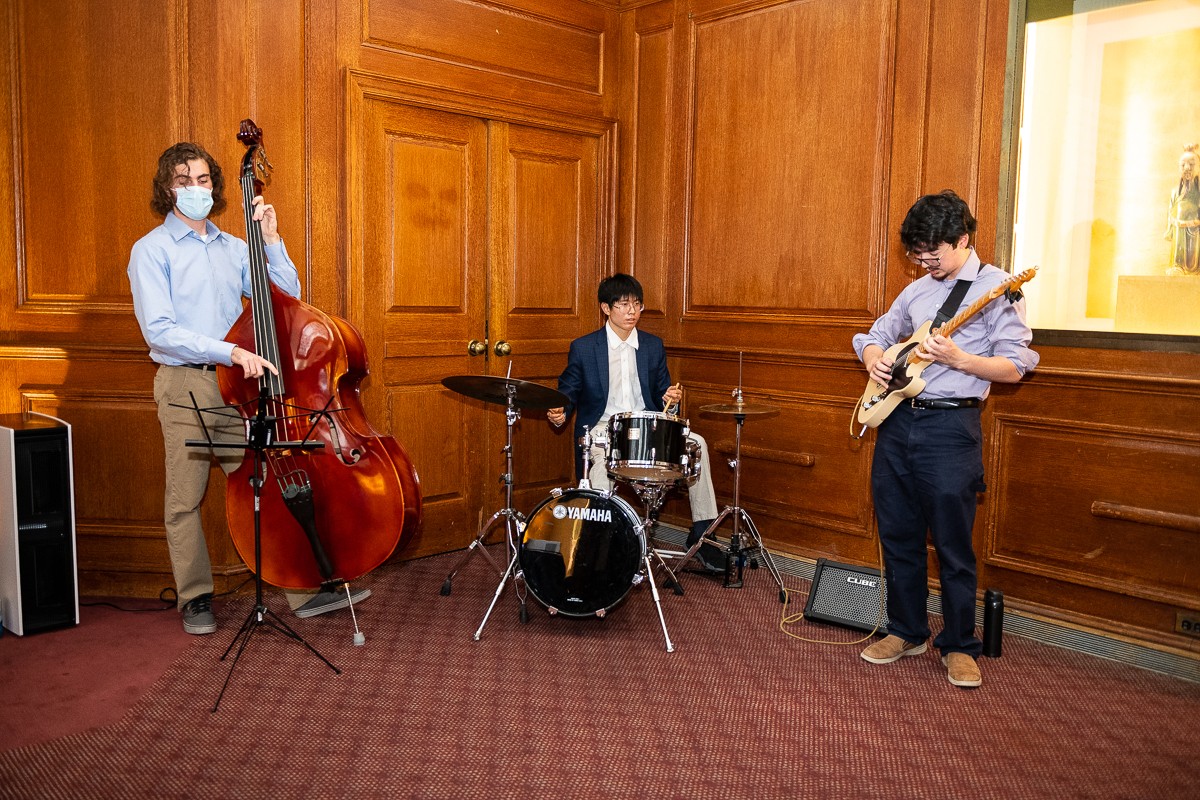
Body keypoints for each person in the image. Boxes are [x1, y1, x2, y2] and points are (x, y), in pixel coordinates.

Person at [128, 142, 369, 634]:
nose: (194, 189)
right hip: (185, 384)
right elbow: (160, 331)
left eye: (202, 180)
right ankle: (195, 598)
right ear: (166, 188)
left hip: (238, 388)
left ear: (214, 187)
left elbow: (286, 296)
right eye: (183, 181)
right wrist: (230, 351)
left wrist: (271, 239)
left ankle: (300, 590)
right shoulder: (150, 250)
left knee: (264, 486)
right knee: (184, 497)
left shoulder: (235, 247)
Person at [851, 190, 1039, 688]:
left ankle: (959, 644)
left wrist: (960, 360)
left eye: (933, 252)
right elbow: (870, 335)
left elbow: (1017, 366)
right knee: (897, 534)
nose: (924, 262)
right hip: (897, 423)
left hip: (951, 429)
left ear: (963, 240)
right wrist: (874, 357)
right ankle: (906, 630)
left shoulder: (999, 288)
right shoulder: (916, 292)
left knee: (954, 545)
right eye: (917, 253)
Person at [547, 274, 723, 573]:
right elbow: (569, 390)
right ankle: (602, 545)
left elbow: (662, 395)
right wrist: (560, 411)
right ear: (606, 308)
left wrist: (671, 396)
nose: (632, 312)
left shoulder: (653, 346)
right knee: (599, 474)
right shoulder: (585, 347)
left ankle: (703, 536)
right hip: (605, 429)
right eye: (623, 305)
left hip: (648, 426)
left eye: (637, 305)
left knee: (698, 445)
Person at [1164, 143, 1200, 276]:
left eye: (1191, 164)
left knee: (1196, 251)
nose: (1187, 168)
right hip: (1179, 232)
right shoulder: (1175, 192)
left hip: (1196, 232)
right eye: (1183, 165)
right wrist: (1174, 224)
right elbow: (1170, 213)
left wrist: (1192, 223)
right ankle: (1177, 265)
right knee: (1178, 251)